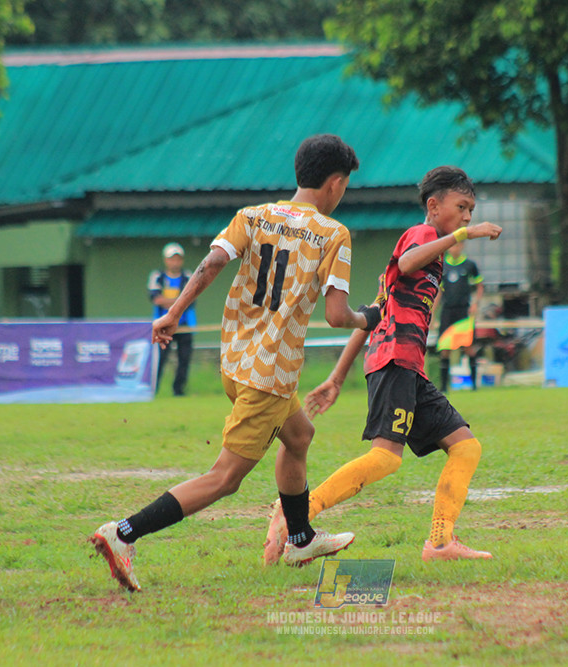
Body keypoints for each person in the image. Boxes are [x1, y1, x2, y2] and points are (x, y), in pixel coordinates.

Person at [91, 134, 382, 591]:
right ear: (336, 183)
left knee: (300, 435)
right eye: (344, 186)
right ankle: (123, 532)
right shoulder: (333, 233)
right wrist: (373, 315)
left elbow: (211, 263)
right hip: (269, 375)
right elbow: (336, 315)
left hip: (238, 361)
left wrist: (171, 312)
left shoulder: (254, 215)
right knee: (225, 478)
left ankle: (300, 537)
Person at [263, 166, 502, 565]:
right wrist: (462, 236)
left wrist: (337, 378)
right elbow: (408, 263)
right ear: (433, 206)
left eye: (471, 212)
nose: (467, 217)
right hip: (395, 362)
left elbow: (373, 314)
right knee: (386, 457)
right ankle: (295, 514)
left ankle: (441, 544)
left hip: (404, 365)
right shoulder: (424, 236)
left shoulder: (429, 254)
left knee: (465, 447)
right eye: (461, 208)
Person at [434, 242, 484, 392]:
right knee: (445, 347)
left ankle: (474, 385)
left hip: (463, 311)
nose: (454, 248)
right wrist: (433, 312)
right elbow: (439, 291)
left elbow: (480, 285)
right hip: (447, 311)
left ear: (462, 246)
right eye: (452, 246)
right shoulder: (442, 266)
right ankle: (444, 386)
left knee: (468, 346)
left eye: (457, 246)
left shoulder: (469, 265)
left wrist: (475, 303)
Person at [148, 242, 196, 396]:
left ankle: (178, 391)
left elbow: (191, 300)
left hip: (184, 326)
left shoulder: (188, 276)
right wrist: (179, 301)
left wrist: (172, 301)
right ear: (165, 260)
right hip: (163, 326)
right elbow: (156, 299)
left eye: (178, 259)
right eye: (171, 259)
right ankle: (152, 390)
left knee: (184, 360)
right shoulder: (158, 277)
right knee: (159, 359)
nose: (175, 262)